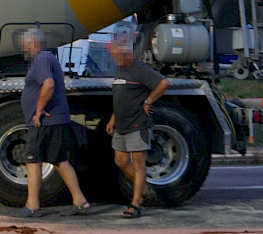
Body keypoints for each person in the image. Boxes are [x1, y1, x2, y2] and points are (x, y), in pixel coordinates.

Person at [16, 28, 91, 216]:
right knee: (59, 160)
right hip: (54, 119)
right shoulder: (46, 58)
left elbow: (49, 84)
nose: (24, 48)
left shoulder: (41, 58)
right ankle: (80, 201)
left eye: (25, 44)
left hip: (45, 120)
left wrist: (39, 109)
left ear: (34, 43)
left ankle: (32, 206)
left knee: (33, 160)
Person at [107, 32, 170, 219]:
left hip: (137, 124)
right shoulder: (120, 70)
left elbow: (164, 83)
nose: (115, 58)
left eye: (118, 55)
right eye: (114, 54)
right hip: (121, 124)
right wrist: (113, 118)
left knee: (138, 164)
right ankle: (144, 189)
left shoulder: (139, 68)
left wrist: (149, 101)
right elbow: (120, 97)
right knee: (120, 161)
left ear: (128, 54)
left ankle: (135, 204)